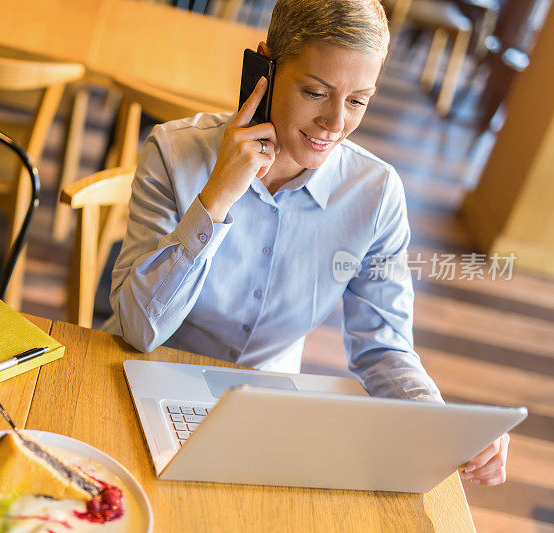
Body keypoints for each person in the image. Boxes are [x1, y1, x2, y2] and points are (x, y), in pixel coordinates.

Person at [103, 0, 510, 486]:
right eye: (317, 92)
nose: (335, 123)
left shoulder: (376, 194)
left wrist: (444, 426)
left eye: (358, 100)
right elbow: (139, 330)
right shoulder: (173, 153)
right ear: (265, 67)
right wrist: (215, 200)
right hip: (139, 377)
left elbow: (383, 348)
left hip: (265, 406)